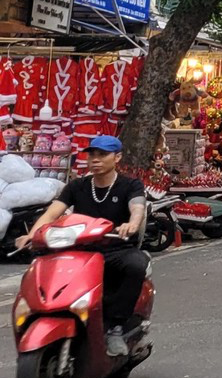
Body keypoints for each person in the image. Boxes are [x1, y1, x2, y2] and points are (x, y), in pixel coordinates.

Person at [25, 136, 149, 356]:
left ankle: (115, 326)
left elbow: (137, 208)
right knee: (40, 266)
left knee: (136, 265)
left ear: (117, 157)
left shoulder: (130, 185)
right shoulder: (77, 186)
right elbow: (52, 213)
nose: (95, 160)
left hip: (116, 248)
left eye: (102, 155)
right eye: (92, 155)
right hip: (79, 250)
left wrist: (132, 224)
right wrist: (32, 235)